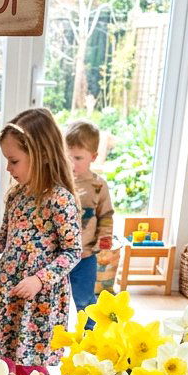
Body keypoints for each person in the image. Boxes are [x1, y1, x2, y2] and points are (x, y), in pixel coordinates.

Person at [0, 108, 81, 375]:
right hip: (9, 291)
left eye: (13, 161)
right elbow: (4, 239)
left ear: (42, 155)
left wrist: (39, 279)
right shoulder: (16, 196)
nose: (8, 168)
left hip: (39, 298)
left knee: (30, 363)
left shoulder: (60, 199)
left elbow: (72, 252)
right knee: (1, 361)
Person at [64, 120, 114, 313]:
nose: (72, 163)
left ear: (93, 157)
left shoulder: (98, 185)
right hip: (58, 255)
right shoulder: (60, 183)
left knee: (85, 300)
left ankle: (89, 336)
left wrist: (104, 238)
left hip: (85, 256)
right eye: (67, 157)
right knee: (52, 302)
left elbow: (106, 215)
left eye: (78, 158)